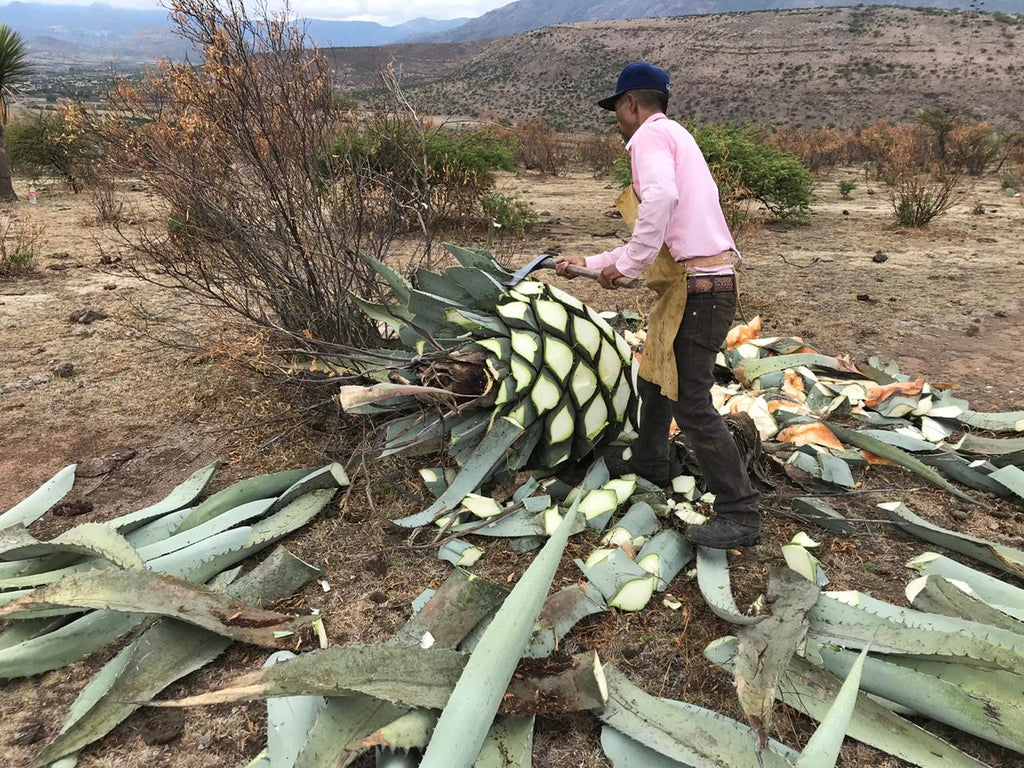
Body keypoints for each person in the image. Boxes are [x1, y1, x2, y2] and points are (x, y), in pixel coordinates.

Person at [555, 61, 759, 549]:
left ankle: (740, 512)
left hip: (700, 290)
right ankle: (651, 463)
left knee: (690, 401)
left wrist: (628, 267)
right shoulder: (677, 137)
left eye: (617, 111)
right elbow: (655, 231)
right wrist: (591, 261)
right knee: (655, 379)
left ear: (631, 104)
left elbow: (660, 202)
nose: (618, 121)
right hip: (696, 285)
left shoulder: (648, 137)